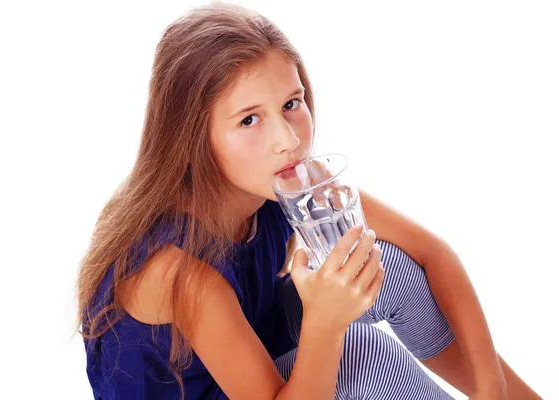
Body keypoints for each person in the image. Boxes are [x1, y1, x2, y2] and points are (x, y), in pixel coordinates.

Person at [76, 2, 542, 399]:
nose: (286, 141)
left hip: (269, 358)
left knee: (389, 266)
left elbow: (432, 253)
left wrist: (491, 389)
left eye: (291, 104)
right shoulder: (176, 271)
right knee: (361, 354)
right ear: (194, 138)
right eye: (248, 121)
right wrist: (325, 323)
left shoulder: (288, 185)